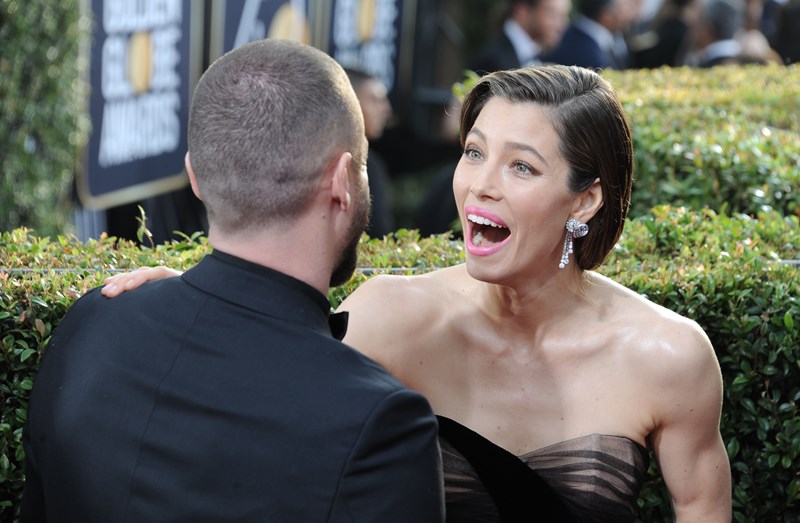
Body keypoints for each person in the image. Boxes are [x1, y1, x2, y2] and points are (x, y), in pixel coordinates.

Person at [102, 65, 733, 521]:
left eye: (521, 166)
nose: (479, 186)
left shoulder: (667, 355)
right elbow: (260, 361)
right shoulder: (388, 314)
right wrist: (191, 298)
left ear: (586, 198)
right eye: (473, 153)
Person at [21, 39, 444, 522]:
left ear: (195, 177)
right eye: (364, 165)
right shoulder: (382, 424)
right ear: (342, 181)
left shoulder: (93, 320)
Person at [344, 67, 395, 238]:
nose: (386, 109)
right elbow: (380, 237)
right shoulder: (366, 164)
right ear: (349, 102)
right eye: (375, 100)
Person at [469, 0, 572, 74]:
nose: (562, 25)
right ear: (522, 11)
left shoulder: (534, 57)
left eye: (564, 16)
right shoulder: (492, 62)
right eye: (552, 14)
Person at [540, 0, 641, 69]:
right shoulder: (587, 56)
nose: (629, 13)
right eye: (623, 7)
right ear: (606, 15)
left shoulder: (586, 39)